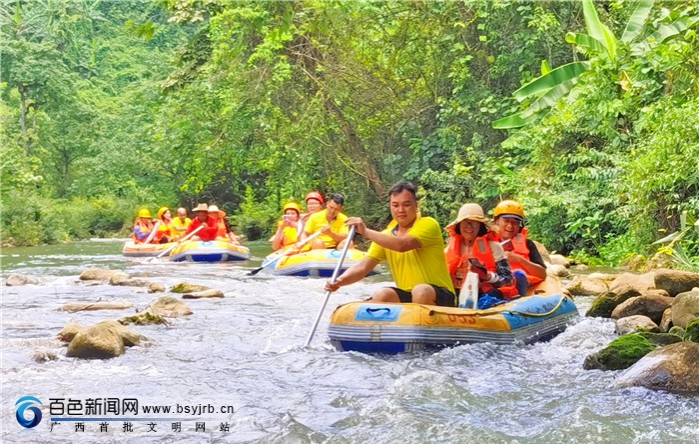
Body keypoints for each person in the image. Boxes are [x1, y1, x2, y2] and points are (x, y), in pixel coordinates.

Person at [325, 181, 456, 307]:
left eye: (406, 204)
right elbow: (363, 267)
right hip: (408, 295)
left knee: (420, 291)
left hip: (439, 295)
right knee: (382, 294)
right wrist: (339, 281)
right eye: (395, 205)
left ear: (416, 205)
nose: (400, 210)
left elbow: (402, 245)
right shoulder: (385, 235)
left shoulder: (428, 224)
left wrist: (365, 231)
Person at [444, 203, 518, 308]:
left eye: (473, 223)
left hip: (484, 293)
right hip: (455, 293)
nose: (469, 227)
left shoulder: (494, 247)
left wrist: (488, 277)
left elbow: (508, 278)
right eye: (465, 223)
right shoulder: (449, 249)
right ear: (459, 226)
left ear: (480, 226)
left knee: (492, 296)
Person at [493, 200, 547, 296]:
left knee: (519, 274)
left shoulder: (528, 244)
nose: (510, 226)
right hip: (495, 285)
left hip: (521, 287)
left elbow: (542, 274)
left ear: (520, 226)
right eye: (506, 221)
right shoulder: (486, 243)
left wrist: (519, 259)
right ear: (497, 221)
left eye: (515, 223)